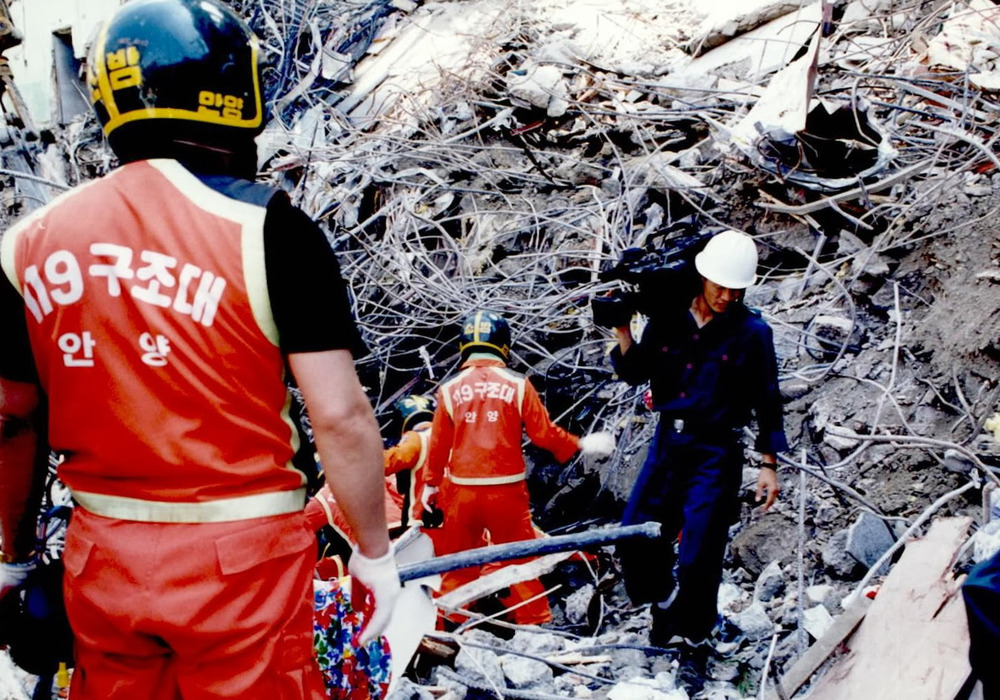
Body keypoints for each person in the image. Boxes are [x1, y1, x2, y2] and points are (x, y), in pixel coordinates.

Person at [0, 1, 399, 697]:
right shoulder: (269, 228)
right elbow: (339, 415)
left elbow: (9, 420)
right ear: (234, 91)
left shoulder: (27, 245)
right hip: (243, 563)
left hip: (103, 557)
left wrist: (14, 558)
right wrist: (374, 553)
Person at [609, 229, 787, 650]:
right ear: (702, 277)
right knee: (635, 535)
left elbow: (767, 397)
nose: (727, 295)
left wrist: (768, 464)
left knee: (700, 554)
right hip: (667, 444)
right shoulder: (667, 320)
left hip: (718, 450)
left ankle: (693, 637)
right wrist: (622, 331)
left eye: (736, 289)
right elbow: (636, 373)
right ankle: (666, 605)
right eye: (720, 286)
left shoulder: (752, 333)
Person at [421, 310, 614, 626]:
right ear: (504, 347)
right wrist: (580, 444)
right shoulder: (519, 385)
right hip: (506, 492)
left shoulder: (449, 390)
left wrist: (430, 488)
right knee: (519, 559)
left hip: (461, 493)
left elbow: (439, 445)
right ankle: (534, 626)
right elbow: (543, 434)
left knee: (457, 563)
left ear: (463, 347)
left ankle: (448, 624)